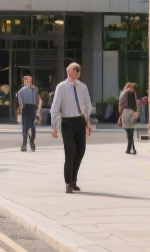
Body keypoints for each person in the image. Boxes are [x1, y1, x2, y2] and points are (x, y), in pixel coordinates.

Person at [49, 62, 93, 194]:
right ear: (68, 72)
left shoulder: (83, 87)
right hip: (67, 122)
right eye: (75, 70)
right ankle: (68, 183)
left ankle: (74, 180)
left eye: (79, 70)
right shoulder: (61, 87)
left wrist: (88, 122)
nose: (77, 72)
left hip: (80, 121)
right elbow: (55, 108)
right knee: (70, 153)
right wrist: (55, 127)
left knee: (80, 152)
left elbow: (87, 106)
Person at [16, 75, 41, 152]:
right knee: (25, 128)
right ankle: (24, 144)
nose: (30, 82)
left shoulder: (35, 89)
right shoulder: (21, 91)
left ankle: (32, 142)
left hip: (33, 108)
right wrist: (21, 107)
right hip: (26, 109)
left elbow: (38, 99)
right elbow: (20, 103)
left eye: (31, 81)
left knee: (33, 127)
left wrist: (37, 111)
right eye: (28, 81)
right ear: (25, 81)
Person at [120, 82, 141, 154]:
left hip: (125, 113)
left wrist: (120, 114)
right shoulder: (131, 93)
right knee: (131, 131)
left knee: (129, 131)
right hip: (130, 112)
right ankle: (131, 148)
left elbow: (121, 104)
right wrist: (136, 111)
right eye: (132, 87)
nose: (132, 89)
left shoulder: (123, 93)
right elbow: (133, 103)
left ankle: (130, 148)